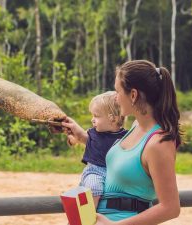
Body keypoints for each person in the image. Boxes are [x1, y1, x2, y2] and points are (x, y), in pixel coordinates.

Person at [66, 60, 182, 225]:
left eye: (117, 91)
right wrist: (79, 134)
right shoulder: (135, 127)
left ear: (133, 95)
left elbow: (170, 208)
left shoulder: (158, 143)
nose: (115, 97)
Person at [62, 91, 127, 208]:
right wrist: (72, 137)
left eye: (96, 116)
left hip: (114, 173)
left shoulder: (126, 136)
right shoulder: (93, 133)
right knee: (94, 187)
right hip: (95, 171)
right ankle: (89, 217)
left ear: (112, 119)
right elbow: (80, 137)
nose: (92, 119)